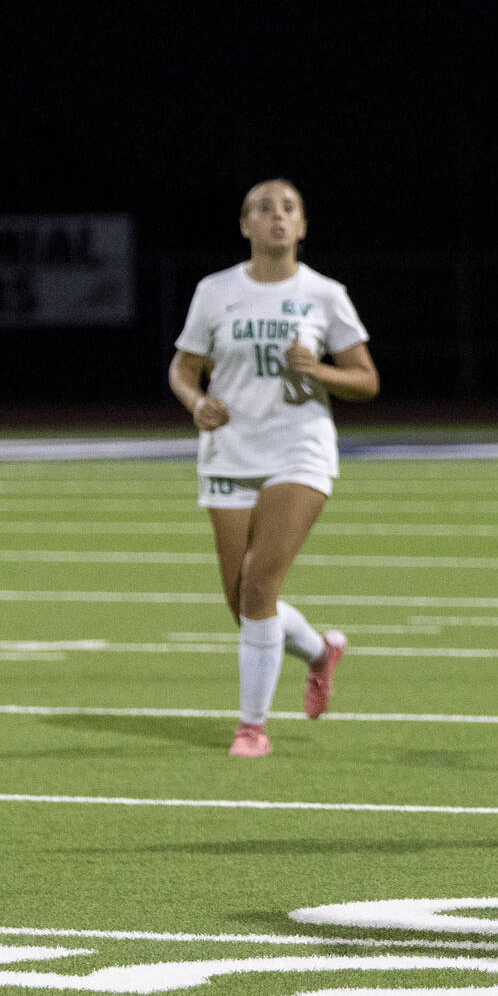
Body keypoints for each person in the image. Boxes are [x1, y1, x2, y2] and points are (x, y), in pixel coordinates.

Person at [168, 178, 380, 758]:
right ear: (245, 226)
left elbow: (366, 381)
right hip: (231, 451)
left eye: (288, 208)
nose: (277, 217)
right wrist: (196, 403)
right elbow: (182, 370)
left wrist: (319, 372)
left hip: (299, 448)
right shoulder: (215, 291)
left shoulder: (325, 294)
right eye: (263, 209)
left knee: (261, 583)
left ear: (303, 225)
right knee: (243, 606)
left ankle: (251, 727)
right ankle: (319, 651)